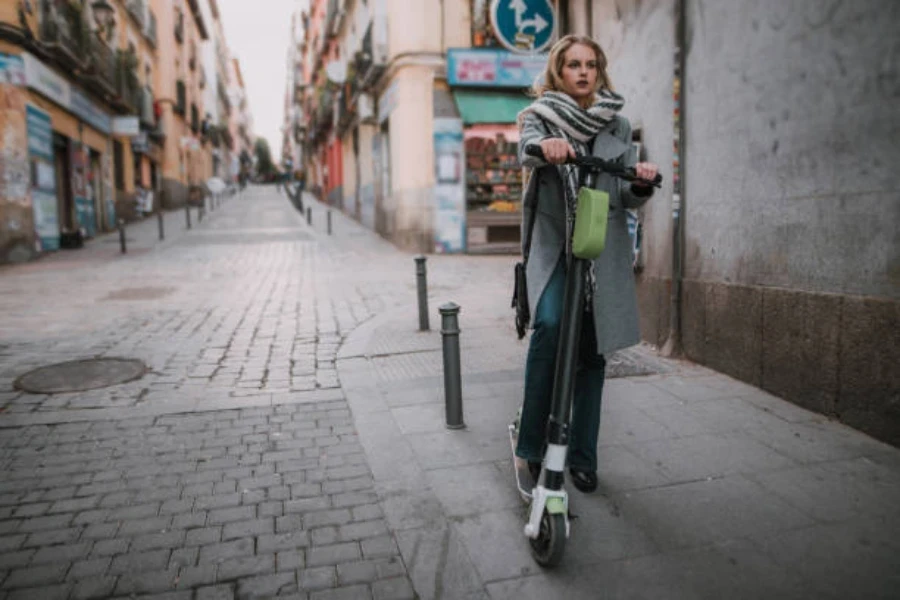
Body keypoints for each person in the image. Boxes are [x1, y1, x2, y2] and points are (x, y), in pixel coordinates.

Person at [514, 35, 659, 493]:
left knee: (593, 353)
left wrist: (641, 182)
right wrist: (548, 149)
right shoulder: (540, 118)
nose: (583, 72)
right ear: (558, 70)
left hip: (600, 247)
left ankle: (582, 456)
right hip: (556, 245)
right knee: (552, 324)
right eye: (573, 64)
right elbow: (526, 148)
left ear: (599, 71)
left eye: (591, 65)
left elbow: (624, 197)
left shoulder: (617, 125)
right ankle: (531, 446)